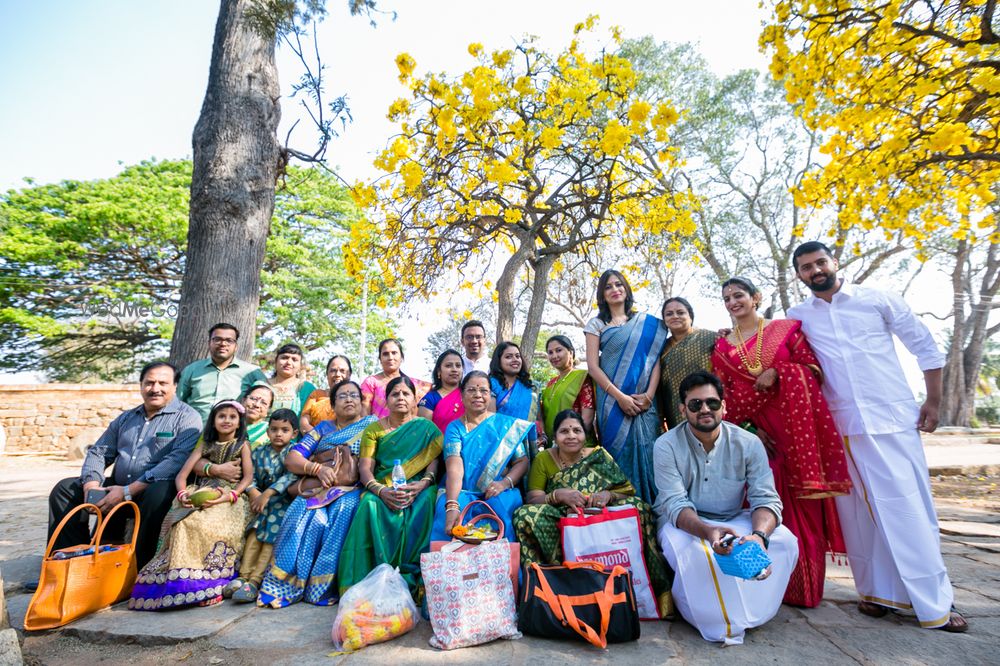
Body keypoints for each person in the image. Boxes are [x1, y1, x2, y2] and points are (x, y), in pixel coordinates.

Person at [787, 240, 967, 632]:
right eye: (806, 267)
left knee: (908, 512)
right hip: (840, 427)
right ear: (799, 274)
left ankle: (935, 604)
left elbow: (925, 347)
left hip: (891, 421)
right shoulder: (798, 316)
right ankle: (875, 595)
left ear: (835, 262)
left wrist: (933, 403)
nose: (815, 270)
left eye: (820, 262)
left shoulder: (877, 299)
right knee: (859, 519)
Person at [712, 276, 851, 608]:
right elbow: (722, 393)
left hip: (793, 427)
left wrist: (781, 371)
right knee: (762, 502)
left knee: (803, 505)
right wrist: (745, 427)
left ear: (756, 297)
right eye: (727, 298)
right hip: (751, 432)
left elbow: (814, 369)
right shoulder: (722, 346)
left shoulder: (786, 330)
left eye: (739, 295)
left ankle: (803, 588)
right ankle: (764, 585)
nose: (733, 302)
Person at [652, 371, 797, 644]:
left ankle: (755, 614)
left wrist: (759, 536)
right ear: (683, 410)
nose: (704, 409)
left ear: (724, 406)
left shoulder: (749, 443)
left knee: (786, 543)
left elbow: (765, 498)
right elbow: (675, 503)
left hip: (733, 518)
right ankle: (711, 619)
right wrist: (707, 531)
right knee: (696, 553)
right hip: (682, 522)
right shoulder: (666, 445)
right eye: (695, 405)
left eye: (712, 403)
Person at [514, 409, 674, 618]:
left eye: (576, 430)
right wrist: (558, 495)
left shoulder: (598, 455)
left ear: (584, 433)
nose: (571, 435)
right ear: (555, 436)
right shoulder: (544, 459)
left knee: (640, 507)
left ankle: (656, 590)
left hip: (601, 516)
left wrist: (607, 495)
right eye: (564, 431)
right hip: (564, 517)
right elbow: (533, 498)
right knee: (524, 515)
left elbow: (625, 489)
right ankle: (550, 590)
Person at [47, 361, 202, 568]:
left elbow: (176, 461)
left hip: (151, 491)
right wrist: (91, 485)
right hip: (117, 487)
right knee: (64, 489)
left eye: (163, 383)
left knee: (160, 492)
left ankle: (137, 567)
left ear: (175, 386)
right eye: (149, 382)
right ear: (141, 386)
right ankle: (67, 563)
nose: (155, 388)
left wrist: (128, 491)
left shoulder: (188, 418)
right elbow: (99, 451)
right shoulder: (126, 418)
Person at [258, 380, 377, 607]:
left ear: (362, 401)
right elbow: (293, 458)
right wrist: (317, 469)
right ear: (332, 404)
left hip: (353, 488)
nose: (349, 399)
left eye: (354, 395)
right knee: (300, 512)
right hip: (320, 487)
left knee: (344, 509)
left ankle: (320, 587)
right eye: (342, 396)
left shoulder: (372, 425)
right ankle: (283, 584)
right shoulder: (322, 429)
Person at [129, 400, 254, 610]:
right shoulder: (204, 444)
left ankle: (209, 580)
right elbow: (182, 475)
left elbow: (247, 477)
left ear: (239, 422)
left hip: (227, 496)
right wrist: (182, 493)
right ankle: (178, 582)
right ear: (212, 421)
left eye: (232, 417)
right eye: (221, 416)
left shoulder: (242, 445)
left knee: (207, 524)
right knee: (185, 523)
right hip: (199, 492)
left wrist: (230, 496)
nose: (227, 420)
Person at [338, 376, 442, 600]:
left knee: (428, 500)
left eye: (406, 394)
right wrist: (380, 491)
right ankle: (369, 580)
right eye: (395, 394)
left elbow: (432, 468)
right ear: (386, 399)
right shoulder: (374, 429)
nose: (401, 398)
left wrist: (421, 485)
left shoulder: (427, 429)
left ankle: (415, 580)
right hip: (382, 487)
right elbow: (366, 468)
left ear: (415, 399)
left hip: (418, 487)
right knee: (368, 504)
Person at [585, 269, 666, 503]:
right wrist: (620, 397)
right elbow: (593, 367)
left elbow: (654, 361)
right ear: (602, 294)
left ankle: (655, 514)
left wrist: (649, 395)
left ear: (627, 289)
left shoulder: (647, 323)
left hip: (645, 405)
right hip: (612, 405)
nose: (614, 290)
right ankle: (624, 514)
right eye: (608, 286)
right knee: (617, 458)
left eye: (619, 284)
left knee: (651, 454)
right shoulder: (597, 324)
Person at [431, 371, 532, 542]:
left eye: (484, 391)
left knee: (502, 505)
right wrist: (452, 505)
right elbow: (455, 467)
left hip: (497, 489)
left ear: (490, 396)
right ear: (462, 396)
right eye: (471, 390)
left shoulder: (505, 425)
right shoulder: (455, 428)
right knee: (446, 510)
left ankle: (503, 566)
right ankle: (451, 567)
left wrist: (504, 483)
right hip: (462, 490)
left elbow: (522, 462)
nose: (478, 395)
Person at [226, 409, 297, 603]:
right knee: (254, 534)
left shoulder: (294, 452)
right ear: (267, 431)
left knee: (269, 539)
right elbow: (249, 476)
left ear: (294, 433)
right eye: (274, 429)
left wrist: (268, 493)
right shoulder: (258, 452)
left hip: (282, 503)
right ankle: (242, 576)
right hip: (260, 503)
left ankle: (255, 581)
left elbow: (291, 476)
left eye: (285, 430)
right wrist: (254, 491)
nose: (278, 434)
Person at [177, 323, 268, 423]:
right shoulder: (192, 370)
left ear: (236, 346)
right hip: (194, 431)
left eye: (229, 340)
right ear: (209, 343)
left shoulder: (251, 372)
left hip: (234, 434)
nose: (223, 344)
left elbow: (266, 401)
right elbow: (177, 402)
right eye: (217, 339)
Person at [657, 297, 717, 430]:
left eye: (680, 312)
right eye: (669, 314)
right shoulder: (660, 349)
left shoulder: (711, 338)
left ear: (690, 316)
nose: (675, 316)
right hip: (676, 412)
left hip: (710, 407)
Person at [540, 335, 596, 442]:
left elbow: (587, 419)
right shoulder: (550, 384)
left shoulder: (582, 377)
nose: (554, 356)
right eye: (550, 352)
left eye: (559, 350)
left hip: (577, 444)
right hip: (552, 446)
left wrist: (572, 439)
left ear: (571, 352)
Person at [489, 341, 543, 451]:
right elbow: (490, 421)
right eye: (508, 357)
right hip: (500, 447)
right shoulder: (491, 385)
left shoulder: (531, 387)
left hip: (529, 444)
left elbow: (539, 418)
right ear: (498, 361)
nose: (515, 359)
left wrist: (542, 437)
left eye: (517, 356)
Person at [360, 338, 430, 418]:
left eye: (394, 353)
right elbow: (364, 412)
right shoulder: (371, 382)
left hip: (407, 429)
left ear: (402, 357)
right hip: (378, 429)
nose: (390, 357)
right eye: (385, 354)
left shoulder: (415, 385)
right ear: (380, 359)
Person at [417, 349, 466, 432]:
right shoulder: (430, 399)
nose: (454, 369)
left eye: (458, 366)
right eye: (448, 366)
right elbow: (423, 433)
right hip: (438, 444)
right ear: (439, 371)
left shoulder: (469, 395)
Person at [300, 355, 352, 433]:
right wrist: (318, 437)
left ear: (349, 374)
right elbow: (304, 420)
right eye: (333, 370)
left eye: (342, 371)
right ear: (327, 374)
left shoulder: (356, 398)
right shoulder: (317, 395)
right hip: (316, 442)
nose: (337, 374)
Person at [267, 343, 316, 418]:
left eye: (294, 359)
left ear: (300, 366)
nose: (289, 363)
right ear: (276, 361)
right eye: (284, 358)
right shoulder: (262, 384)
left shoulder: (307, 389)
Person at [243, 383, 275, 448]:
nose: (257, 405)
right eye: (253, 399)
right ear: (243, 400)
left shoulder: (270, 433)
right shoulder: (228, 425)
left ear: (268, 410)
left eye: (264, 403)